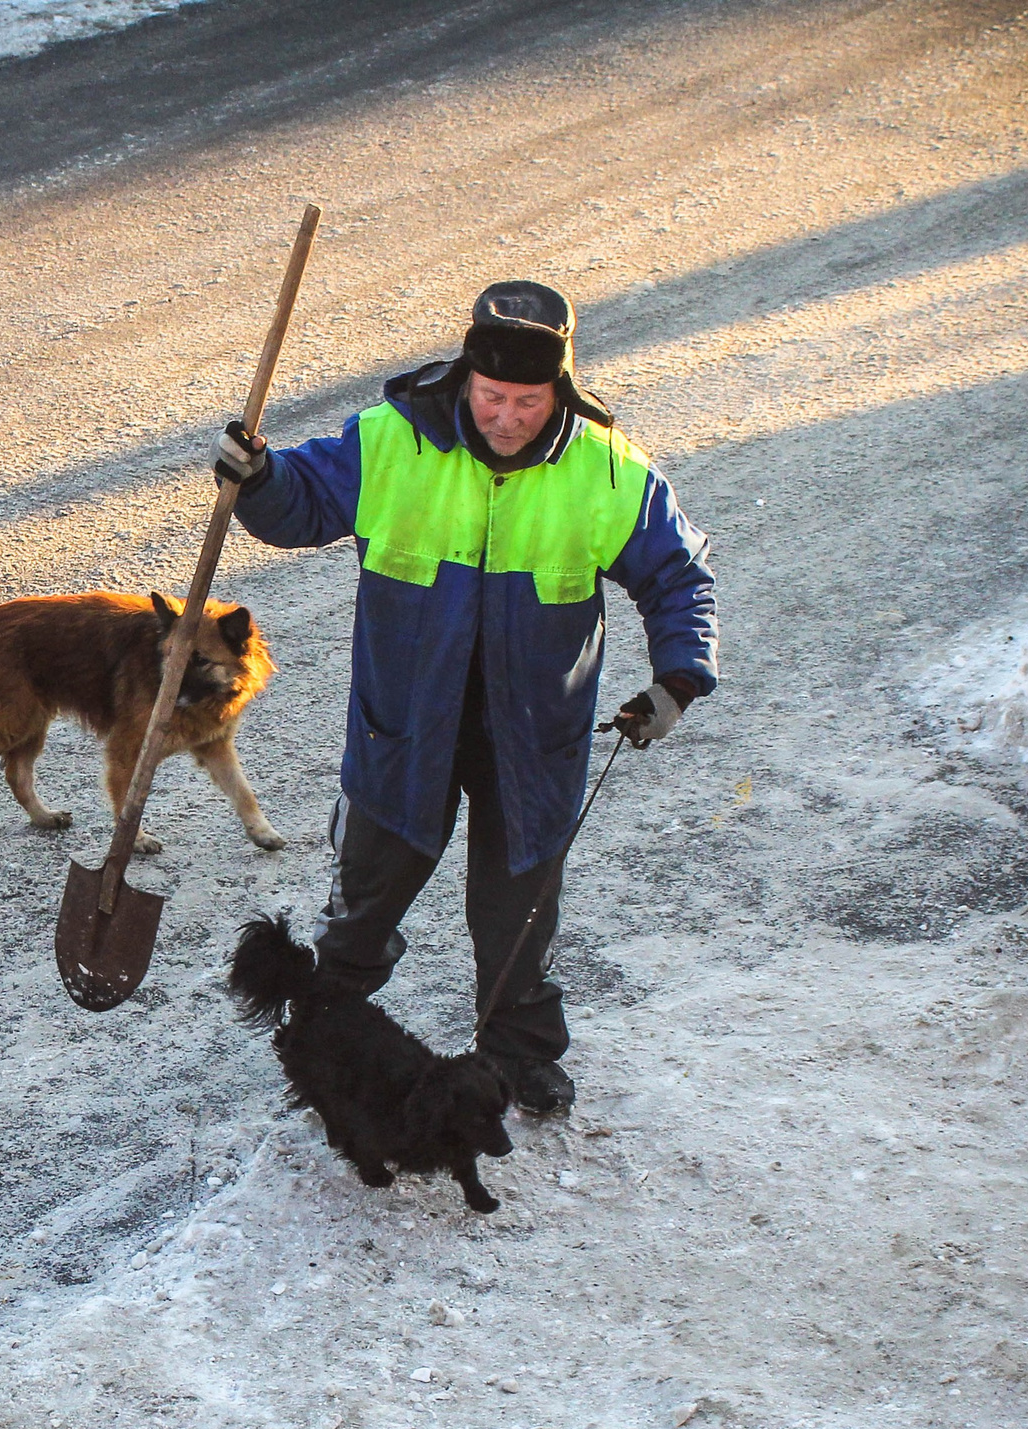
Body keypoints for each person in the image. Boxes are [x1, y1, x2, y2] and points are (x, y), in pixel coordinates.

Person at [212, 280, 719, 1114]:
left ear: (559, 388)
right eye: (492, 397)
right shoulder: (393, 441)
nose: (508, 417)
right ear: (466, 381)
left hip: (533, 734)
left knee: (518, 911)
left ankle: (519, 1055)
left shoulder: (604, 469)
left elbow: (679, 576)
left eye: (527, 400)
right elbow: (300, 502)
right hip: (404, 727)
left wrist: (676, 679)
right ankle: (325, 1033)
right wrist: (256, 476)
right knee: (366, 894)